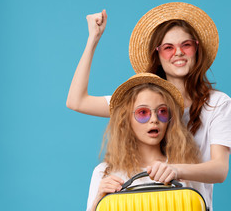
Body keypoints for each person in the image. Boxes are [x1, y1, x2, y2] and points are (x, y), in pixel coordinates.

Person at [67, 2, 231, 210]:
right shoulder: (139, 98)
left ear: (197, 48)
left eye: (186, 45)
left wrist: (175, 170)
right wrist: (93, 38)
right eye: (168, 48)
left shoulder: (217, 103)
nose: (178, 53)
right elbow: (76, 101)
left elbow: (220, 169)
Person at [86, 73, 201, 211]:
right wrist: (99, 201)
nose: (154, 119)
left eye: (162, 111)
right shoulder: (105, 173)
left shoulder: (184, 168)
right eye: (143, 112)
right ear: (126, 120)